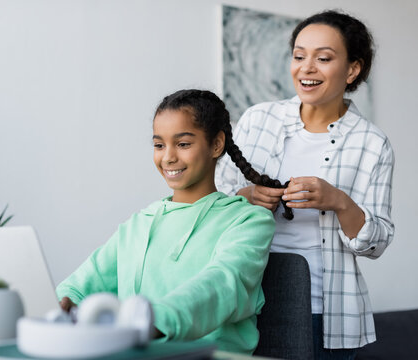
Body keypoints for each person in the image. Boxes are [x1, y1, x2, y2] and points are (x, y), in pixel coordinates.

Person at [215, 10, 394, 359]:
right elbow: (214, 202)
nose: (306, 68)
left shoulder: (372, 143)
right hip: (245, 297)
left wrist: (339, 201)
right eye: (299, 56)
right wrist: (245, 196)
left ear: (352, 69)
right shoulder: (257, 119)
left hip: (323, 312)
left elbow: (376, 242)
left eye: (323, 58)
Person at [56, 89, 277, 354]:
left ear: (216, 145)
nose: (168, 157)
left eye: (183, 144)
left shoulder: (249, 221)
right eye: (159, 145)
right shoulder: (139, 224)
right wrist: (62, 305)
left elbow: (223, 284)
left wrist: (151, 320)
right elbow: (80, 287)